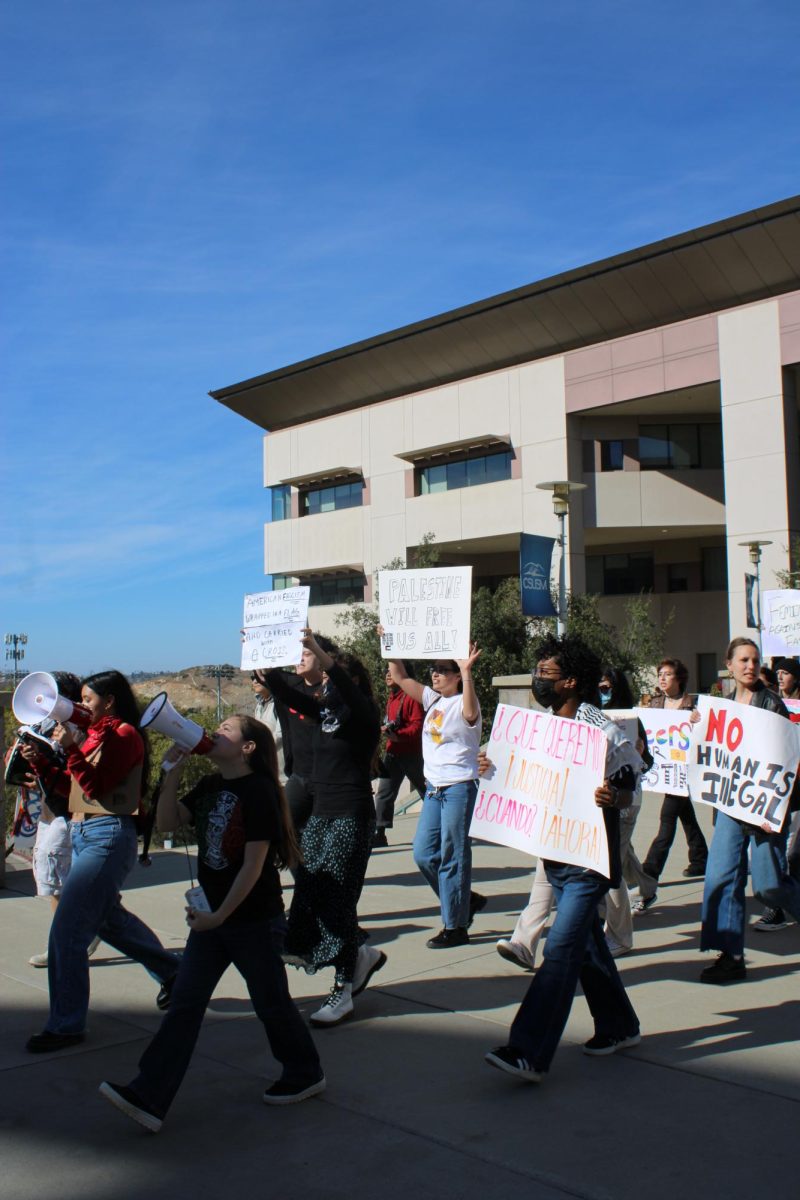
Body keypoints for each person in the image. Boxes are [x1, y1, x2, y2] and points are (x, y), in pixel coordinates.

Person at [98, 713, 324, 1132]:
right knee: (185, 1004)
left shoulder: (259, 791)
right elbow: (167, 823)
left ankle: (304, 1071)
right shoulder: (210, 785)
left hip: (252, 919)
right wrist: (172, 774)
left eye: (226, 729)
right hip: (212, 920)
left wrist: (220, 915)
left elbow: (254, 866)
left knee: (270, 1002)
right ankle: (149, 1094)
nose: (215, 732)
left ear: (248, 748)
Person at [486, 634, 642, 1085]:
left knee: (559, 948)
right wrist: (490, 768)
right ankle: (621, 1026)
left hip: (589, 861)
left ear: (572, 681)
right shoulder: (543, 724)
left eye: (545, 674)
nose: (538, 680)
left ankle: (528, 1050)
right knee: (588, 948)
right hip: (556, 855)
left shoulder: (601, 727)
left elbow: (633, 777)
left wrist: (613, 794)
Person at [25, 670, 181, 1053]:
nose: (81, 706)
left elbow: (99, 787)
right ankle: (177, 974)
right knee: (110, 921)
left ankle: (66, 1024)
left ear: (109, 701)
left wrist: (71, 748)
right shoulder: (95, 734)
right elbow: (76, 789)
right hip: (85, 832)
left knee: (67, 930)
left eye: (88, 699)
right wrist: (44, 765)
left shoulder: (124, 735)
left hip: (108, 835)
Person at [266, 630, 385, 1026]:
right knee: (313, 890)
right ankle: (361, 956)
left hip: (351, 815)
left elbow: (347, 691)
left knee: (338, 900)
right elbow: (291, 695)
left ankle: (342, 992)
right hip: (321, 815)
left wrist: (321, 654)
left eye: (335, 683)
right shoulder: (324, 715)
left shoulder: (364, 715)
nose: (326, 690)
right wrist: (265, 659)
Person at [699, 638, 800, 981]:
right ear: (729, 664)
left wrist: (775, 809)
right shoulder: (722, 708)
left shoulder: (773, 706)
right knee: (721, 877)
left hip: (765, 811)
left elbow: (783, 761)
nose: (750, 665)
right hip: (731, 805)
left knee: (770, 886)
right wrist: (701, 726)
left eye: (755, 660)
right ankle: (731, 955)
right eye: (743, 660)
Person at [386, 646, 484, 948]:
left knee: (453, 856)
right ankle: (463, 900)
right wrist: (391, 644)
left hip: (458, 788)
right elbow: (400, 676)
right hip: (433, 789)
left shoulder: (466, 702)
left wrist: (467, 671)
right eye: (434, 669)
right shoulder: (433, 700)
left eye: (443, 669)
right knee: (424, 854)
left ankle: (455, 927)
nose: (435, 673)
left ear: (456, 675)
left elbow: (469, 714)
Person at [13, 672, 100, 968]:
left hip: (69, 810)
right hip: (52, 808)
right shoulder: (43, 726)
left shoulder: (82, 728)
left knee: (59, 879)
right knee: (59, 879)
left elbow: (80, 773)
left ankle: (65, 945)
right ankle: (87, 932)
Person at [636, 658, 708, 912]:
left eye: (668, 674)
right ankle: (700, 857)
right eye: (660, 674)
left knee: (667, 820)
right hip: (663, 771)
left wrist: (698, 721)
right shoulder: (654, 704)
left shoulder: (693, 705)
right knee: (685, 816)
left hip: (683, 771)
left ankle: (649, 874)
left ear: (680, 678)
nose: (662, 679)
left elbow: (704, 733)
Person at [598, 666, 653, 957]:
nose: (601, 692)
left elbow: (648, 763)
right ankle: (647, 887)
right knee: (618, 857)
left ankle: (620, 934)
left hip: (626, 802)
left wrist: (641, 754)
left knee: (611, 867)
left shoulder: (631, 720)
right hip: (601, 800)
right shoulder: (593, 716)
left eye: (606, 687)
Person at [372, 662, 426, 848]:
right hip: (393, 752)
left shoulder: (412, 697)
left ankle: (441, 823)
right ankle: (379, 832)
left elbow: (418, 727)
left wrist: (398, 736)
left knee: (427, 791)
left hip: (412, 753)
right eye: (386, 671)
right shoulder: (392, 697)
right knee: (384, 792)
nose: (387, 675)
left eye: (391, 672)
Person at [251, 670, 286, 779]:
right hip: (266, 771)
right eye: (253, 678)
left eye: (259, 676)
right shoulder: (259, 706)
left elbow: (281, 734)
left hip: (282, 773)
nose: (255, 681)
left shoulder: (280, 703)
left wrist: (258, 747)